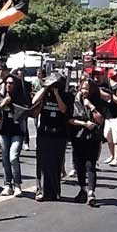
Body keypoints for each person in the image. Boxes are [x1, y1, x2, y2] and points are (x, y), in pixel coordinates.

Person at [32, 73, 72, 202]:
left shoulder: (65, 94)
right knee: (42, 163)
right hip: (44, 132)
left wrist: (56, 94)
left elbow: (63, 109)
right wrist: (44, 88)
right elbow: (33, 102)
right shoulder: (44, 94)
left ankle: (54, 192)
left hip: (59, 134)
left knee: (56, 164)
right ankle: (41, 190)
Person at [69, 78, 104, 207]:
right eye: (83, 88)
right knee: (79, 165)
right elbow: (70, 119)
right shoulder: (75, 100)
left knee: (91, 165)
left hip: (93, 137)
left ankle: (91, 193)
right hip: (78, 136)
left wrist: (91, 106)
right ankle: (82, 189)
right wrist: (84, 123)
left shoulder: (96, 101)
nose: (85, 91)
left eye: (87, 89)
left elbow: (100, 120)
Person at [0, 74, 28, 197]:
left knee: (13, 157)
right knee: (5, 158)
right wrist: (2, 104)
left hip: (17, 131)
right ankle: (7, 184)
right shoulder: (1, 95)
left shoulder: (20, 97)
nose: (8, 85)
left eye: (11, 83)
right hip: (3, 131)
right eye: (7, 82)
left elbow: (26, 110)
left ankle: (17, 184)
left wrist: (15, 107)